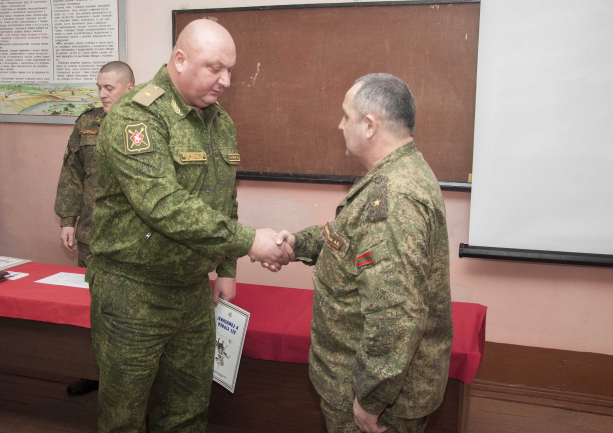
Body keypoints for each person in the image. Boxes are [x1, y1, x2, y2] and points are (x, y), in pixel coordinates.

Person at [86, 19, 292, 432]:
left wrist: (227, 269)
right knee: (124, 417)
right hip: (133, 293)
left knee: (187, 412)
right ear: (179, 60)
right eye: (215, 68)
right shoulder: (136, 116)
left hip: (192, 294)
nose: (226, 81)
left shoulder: (220, 123)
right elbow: (163, 204)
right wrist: (250, 241)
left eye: (230, 70)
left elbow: (224, 200)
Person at [275, 74, 453, 433]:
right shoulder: (394, 173)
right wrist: (296, 244)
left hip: (374, 402)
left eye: (346, 115)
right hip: (363, 383)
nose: (339, 125)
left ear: (369, 125)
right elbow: (347, 239)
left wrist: (371, 400)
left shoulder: (394, 198)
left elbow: (396, 315)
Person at [54, 60, 135, 396]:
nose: (102, 94)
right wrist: (67, 220)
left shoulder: (147, 123)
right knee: (92, 310)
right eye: (99, 87)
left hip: (131, 241)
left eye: (109, 88)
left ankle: (128, 381)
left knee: (128, 313)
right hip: (91, 236)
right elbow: (72, 172)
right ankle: (94, 373)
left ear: (129, 88)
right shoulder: (87, 123)